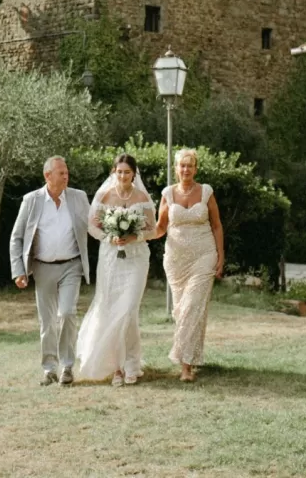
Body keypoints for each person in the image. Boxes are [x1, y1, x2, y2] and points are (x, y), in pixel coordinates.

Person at [9, 156, 91, 386]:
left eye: (67, 173)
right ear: (48, 176)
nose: (66, 176)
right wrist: (19, 270)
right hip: (43, 267)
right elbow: (16, 238)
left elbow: (95, 224)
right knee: (47, 321)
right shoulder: (31, 200)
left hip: (71, 265)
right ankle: (49, 369)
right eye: (61, 173)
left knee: (66, 313)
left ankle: (67, 366)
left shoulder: (79, 197)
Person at [77, 153, 156, 386]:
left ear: (134, 174)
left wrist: (134, 236)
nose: (123, 176)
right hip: (111, 257)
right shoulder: (104, 195)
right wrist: (109, 237)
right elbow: (92, 226)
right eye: (119, 171)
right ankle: (118, 367)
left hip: (136, 258)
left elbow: (152, 229)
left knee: (128, 310)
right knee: (110, 308)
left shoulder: (142, 197)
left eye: (127, 172)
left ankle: (131, 363)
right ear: (114, 172)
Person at [154, 148, 224, 382]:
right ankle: (192, 357)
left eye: (190, 165)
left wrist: (220, 255)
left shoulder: (206, 192)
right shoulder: (168, 193)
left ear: (195, 168)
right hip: (176, 261)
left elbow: (216, 225)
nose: (186, 170)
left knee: (192, 307)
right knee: (182, 311)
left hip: (204, 256)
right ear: (176, 169)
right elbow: (160, 227)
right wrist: (134, 234)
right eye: (182, 166)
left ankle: (184, 366)